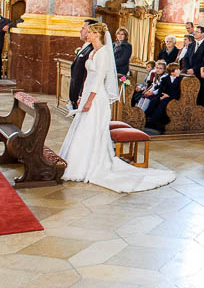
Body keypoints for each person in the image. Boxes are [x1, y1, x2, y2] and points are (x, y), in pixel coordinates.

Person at [59, 22, 176, 192]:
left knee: (92, 130)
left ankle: (89, 165)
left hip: (96, 97)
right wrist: (81, 96)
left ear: (97, 35)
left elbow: (99, 79)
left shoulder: (104, 53)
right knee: (83, 129)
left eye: (90, 32)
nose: (87, 35)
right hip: (87, 94)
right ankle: (78, 161)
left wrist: (90, 100)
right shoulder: (92, 50)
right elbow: (88, 78)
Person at [69, 19, 99, 110]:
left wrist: (81, 95)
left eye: (83, 28)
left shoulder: (92, 49)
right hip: (76, 95)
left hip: (82, 95)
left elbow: (87, 75)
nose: (80, 31)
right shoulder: (86, 47)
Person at [146, 62, 182, 130]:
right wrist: (162, 95)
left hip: (174, 97)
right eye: (177, 70)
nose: (179, 71)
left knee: (163, 103)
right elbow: (161, 90)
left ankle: (154, 121)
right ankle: (147, 117)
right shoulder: (165, 79)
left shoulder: (180, 79)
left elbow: (179, 92)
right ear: (172, 72)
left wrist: (168, 96)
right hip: (163, 95)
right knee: (154, 100)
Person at [187, 26, 204, 107]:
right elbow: (186, 58)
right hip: (189, 74)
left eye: (197, 32)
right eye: (195, 32)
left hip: (199, 75)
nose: (194, 33)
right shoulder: (191, 45)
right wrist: (188, 69)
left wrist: (194, 69)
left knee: (199, 97)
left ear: (203, 34)